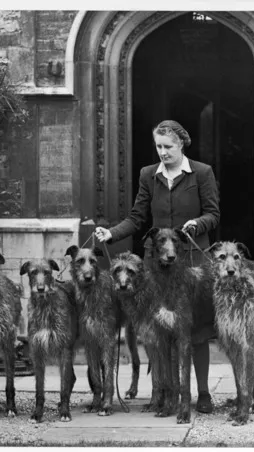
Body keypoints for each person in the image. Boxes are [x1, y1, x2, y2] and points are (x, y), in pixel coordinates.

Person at [95, 119, 220, 413]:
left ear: (181, 145)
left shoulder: (201, 173)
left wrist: (197, 223)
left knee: (196, 331)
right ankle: (165, 393)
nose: (162, 152)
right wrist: (111, 233)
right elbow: (138, 217)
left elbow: (213, 214)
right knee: (160, 330)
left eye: (168, 147)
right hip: (157, 267)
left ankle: (202, 393)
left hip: (191, 261)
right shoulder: (148, 175)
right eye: (158, 146)